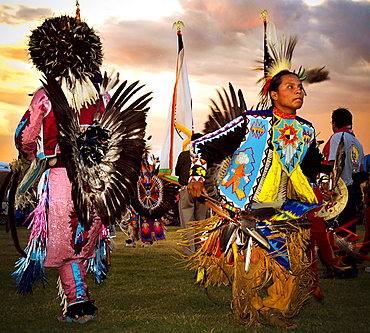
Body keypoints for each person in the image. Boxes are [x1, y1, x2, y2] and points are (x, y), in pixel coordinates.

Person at [12, 13, 149, 324]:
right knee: (82, 237)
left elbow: (25, 136)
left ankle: (78, 302)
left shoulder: (46, 96)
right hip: (97, 180)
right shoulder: (102, 95)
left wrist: (31, 157)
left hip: (61, 178)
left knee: (66, 242)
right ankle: (79, 298)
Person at [187, 70, 329, 328]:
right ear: (274, 95)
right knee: (251, 264)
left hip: (283, 210)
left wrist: (326, 181)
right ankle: (248, 311)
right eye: (290, 87)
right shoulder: (252, 122)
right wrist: (196, 176)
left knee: (289, 267)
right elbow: (202, 145)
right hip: (244, 207)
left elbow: (311, 167)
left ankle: (275, 310)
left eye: (300, 87)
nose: (299, 91)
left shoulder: (305, 130)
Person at [322, 108, 366, 278]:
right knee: (349, 231)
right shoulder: (357, 142)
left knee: (336, 231)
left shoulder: (337, 138)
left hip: (341, 191)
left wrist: (328, 188)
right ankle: (349, 267)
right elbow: (361, 170)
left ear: (334, 123)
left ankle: (340, 268)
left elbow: (332, 164)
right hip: (354, 189)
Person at [175, 133, 209, 256]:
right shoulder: (206, 155)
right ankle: (201, 249)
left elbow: (177, 171)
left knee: (187, 222)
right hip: (202, 190)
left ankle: (188, 251)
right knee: (201, 221)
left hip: (186, 190)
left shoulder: (183, 155)